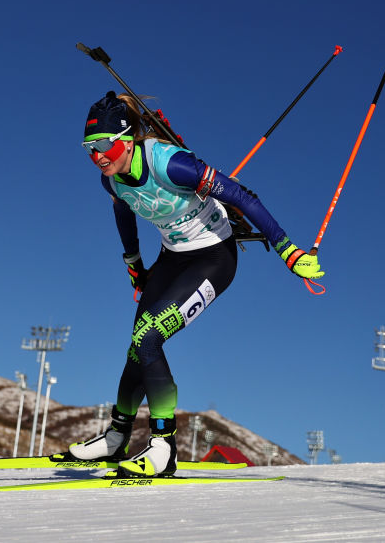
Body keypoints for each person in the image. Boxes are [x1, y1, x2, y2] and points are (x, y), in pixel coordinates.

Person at [67, 91, 324, 477]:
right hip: (172, 258)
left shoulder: (169, 165)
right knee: (138, 345)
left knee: (149, 337)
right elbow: (124, 212)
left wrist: (288, 251)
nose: (98, 156)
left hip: (213, 259)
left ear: (128, 138)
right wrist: (134, 264)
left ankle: (163, 447)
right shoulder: (112, 181)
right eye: (89, 148)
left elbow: (242, 196)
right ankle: (116, 438)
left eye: (104, 145)